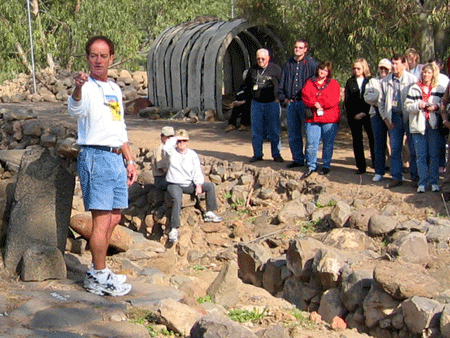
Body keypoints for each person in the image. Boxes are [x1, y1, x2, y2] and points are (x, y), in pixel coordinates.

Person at [68, 36, 138, 296]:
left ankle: (102, 268)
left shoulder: (114, 89)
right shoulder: (85, 87)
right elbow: (75, 109)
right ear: (88, 58)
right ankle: (97, 275)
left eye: (103, 55)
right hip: (95, 156)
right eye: (93, 55)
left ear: (111, 58)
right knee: (101, 220)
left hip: (116, 157)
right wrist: (77, 88)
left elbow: (119, 126)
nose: (98, 60)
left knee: (115, 216)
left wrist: (129, 159)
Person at [163, 129, 222, 243]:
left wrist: (198, 184)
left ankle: (210, 212)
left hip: (188, 183)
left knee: (209, 186)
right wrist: (176, 138)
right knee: (177, 199)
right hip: (174, 183)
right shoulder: (172, 152)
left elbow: (196, 170)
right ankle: (174, 228)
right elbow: (166, 147)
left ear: (188, 141)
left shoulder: (192, 154)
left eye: (184, 141)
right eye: (180, 141)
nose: (182, 143)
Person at [405, 63, 445, 192]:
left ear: (433, 74)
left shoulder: (439, 89)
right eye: (424, 72)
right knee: (420, 155)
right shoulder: (414, 88)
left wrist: (436, 107)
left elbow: (443, 105)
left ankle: (433, 181)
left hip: (433, 124)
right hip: (418, 125)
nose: (426, 75)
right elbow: (407, 106)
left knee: (433, 154)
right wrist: (419, 105)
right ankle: (422, 182)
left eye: (429, 72)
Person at [379, 54, 418, 188]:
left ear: (404, 65)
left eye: (397, 64)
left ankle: (415, 177)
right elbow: (381, 102)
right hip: (393, 117)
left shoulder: (412, 80)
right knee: (395, 148)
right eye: (393, 63)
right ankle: (396, 176)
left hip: (409, 117)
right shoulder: (386, 81)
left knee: (413, 148)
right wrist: (385, 118)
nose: (394, 66)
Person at [278, 39, 318, 168]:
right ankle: (298, 159)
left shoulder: (312, 64)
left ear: (306, 49)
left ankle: (310, 160)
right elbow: (282, 82)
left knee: (309, 133)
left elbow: (317, 83)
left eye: (300, 48)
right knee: (293, 133)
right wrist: (283, 97)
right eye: (296, 47)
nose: (297, 50)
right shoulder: (288, 64)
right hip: (291, 103)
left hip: (305, 103)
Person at [301, 61, 341, 177]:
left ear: (329, 72)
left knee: (328, 143)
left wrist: (321, 103)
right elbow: (305, 95)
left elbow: (333, 99)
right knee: (311, 143)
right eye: (321, 69)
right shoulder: (310, 82)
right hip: (313, 118)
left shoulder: (334, 83)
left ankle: (326, 165)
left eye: (325, 70)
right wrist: (314, 103)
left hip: (329, 118)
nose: (323, 72)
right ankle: (311, 165)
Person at [245, 48, 283, 163]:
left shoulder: (276, 69)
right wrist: (248, 99)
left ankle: (276, 154)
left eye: (263, 58)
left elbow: (282, 85)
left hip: (272, 103)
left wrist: (279, 98)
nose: (260, 61)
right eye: (258, 59)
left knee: (274, 130)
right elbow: (246, 86)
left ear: (268, 58)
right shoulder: (252, 70)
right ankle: (257, 154)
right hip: (256, 104)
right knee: (257, 131)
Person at [344, 58, 375, 174]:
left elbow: (374, 98)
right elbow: (347, 101)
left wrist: (365, 112)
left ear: (364, 69)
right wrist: (354, 114)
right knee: (357, 140)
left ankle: (376, 164)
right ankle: (361, 166)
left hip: (368, 114)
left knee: (373, 139)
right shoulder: (350, 82)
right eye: (354, 68)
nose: (356, 70)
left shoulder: (370, 81)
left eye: (358, 68)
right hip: (354, 116)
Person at [364, 58, 392, 182]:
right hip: (376, 114)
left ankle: (396, 171)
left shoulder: (392, 81)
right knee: (379, 144)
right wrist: (381, 98)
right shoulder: (372, 81)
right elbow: (367, 97)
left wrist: (379, 98)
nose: (383, 70)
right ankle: (379, 171)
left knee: (395, 144)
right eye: (381, 68)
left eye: (385, 68)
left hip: (391, 113)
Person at [152, 126, 175, 191]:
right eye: (167, 137)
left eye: (171, 137)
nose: (169, 139)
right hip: (161, 178)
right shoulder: (159, 150)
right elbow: (164, 170)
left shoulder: (174, 149)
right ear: (162, 137)